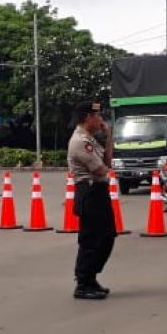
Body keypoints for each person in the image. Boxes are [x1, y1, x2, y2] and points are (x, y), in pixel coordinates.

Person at [68, 101, 116, 299]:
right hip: (89, 192)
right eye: (97, 116)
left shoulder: (90, 139)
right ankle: (83, 282)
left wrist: (108, 136)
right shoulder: (80, 141)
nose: (100, 120)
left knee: (106, 236)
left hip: (98, 190)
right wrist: (109, 170)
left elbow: (107, 162)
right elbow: (100, 169)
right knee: (91, 239)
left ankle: (91, 277)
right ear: (88, 117)